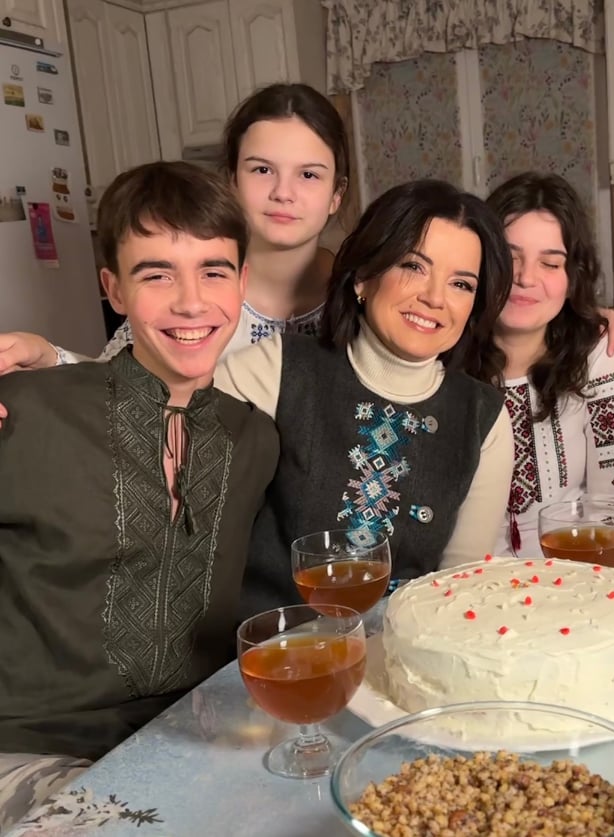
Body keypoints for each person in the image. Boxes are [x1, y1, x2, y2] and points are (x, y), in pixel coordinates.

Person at [0, 161, 279, 832]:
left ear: (243, 283)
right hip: (30, 748)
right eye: (157, 274)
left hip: (195, 743)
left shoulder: (254, 439)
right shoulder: (23, 412)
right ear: (114, 289)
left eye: (214, 271)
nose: (191, 302)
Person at [215, 179, 516, 623]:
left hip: (401, 653)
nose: (435, 298)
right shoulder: (276, 370)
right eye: (413, 266)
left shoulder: (483, 419)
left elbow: (458, 589)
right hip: (272, 651)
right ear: (363, 276)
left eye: (461, 284)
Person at [0, 81, 349, 373]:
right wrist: (50, 358)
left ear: (337, 193)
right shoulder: (193, 293)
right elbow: (115, 385)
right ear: (231, 181)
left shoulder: (363, 293)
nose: (283, 193)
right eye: (262, 170)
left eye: (308, 175)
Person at [478, 172, 614, 560]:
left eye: (550, 263)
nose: (526, 277)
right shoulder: (442, 359)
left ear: (572, 276)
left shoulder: (600, 355)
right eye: (509, 257)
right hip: (468, 583)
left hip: (575, 577)